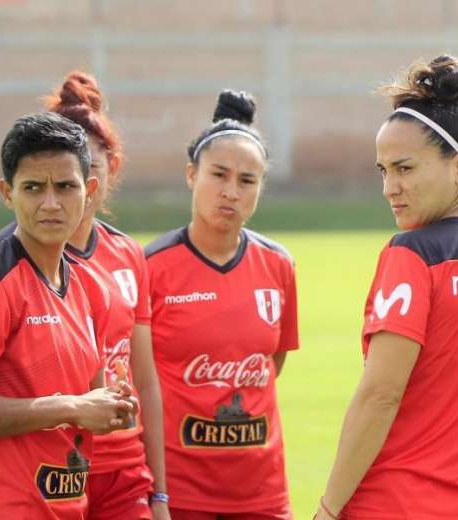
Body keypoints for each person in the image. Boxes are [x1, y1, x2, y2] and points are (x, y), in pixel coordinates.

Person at [316, 55, 458, 520]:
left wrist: (328, 509)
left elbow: (380, 394)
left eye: (405, 169)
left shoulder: (412, 255)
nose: (389, 188)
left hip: (391, 506)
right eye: (383, 171)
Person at [0, 112, 138, 518]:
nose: (50, 203)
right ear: (7, 193)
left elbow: (90, 401)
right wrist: (72, 407)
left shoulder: (89, 287)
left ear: (89, 190)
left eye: (65, 186)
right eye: (33, 188)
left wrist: (111, 406)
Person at [145, 90, 299, 520]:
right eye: (219, 175)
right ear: (191, 175)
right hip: (180, 493)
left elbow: (272, 362)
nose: (231, 192)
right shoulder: (150, 267)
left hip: (262, 492)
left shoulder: (278, 265)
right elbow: (138, 378)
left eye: (247, 181)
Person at [43, 71, 170, 520]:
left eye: (90, 169)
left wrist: (160, 495)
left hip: (124, 472)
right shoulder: (19, 261)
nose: (80, 185)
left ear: (110, 168)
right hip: (53, 466)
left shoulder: (128, 255)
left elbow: (145, 381)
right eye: (66, 174)